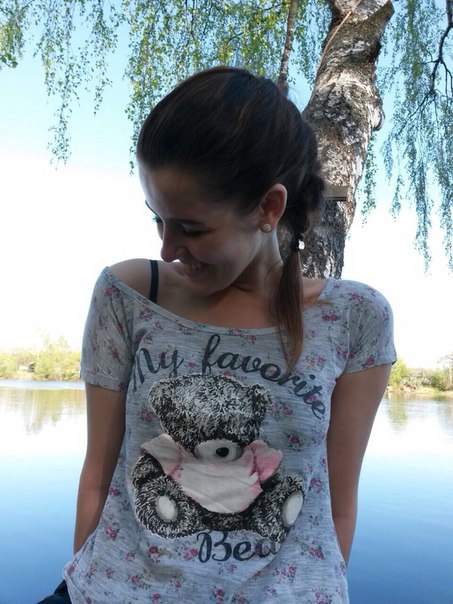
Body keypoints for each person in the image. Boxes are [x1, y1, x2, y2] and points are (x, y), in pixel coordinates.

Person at [39, 66, 396, 604]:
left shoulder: (356, 317)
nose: (167, 247)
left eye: (192, 227)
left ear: (268, 208)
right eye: (157, 219)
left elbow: (338, 508)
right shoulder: (127, 295)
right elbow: (97, 475)